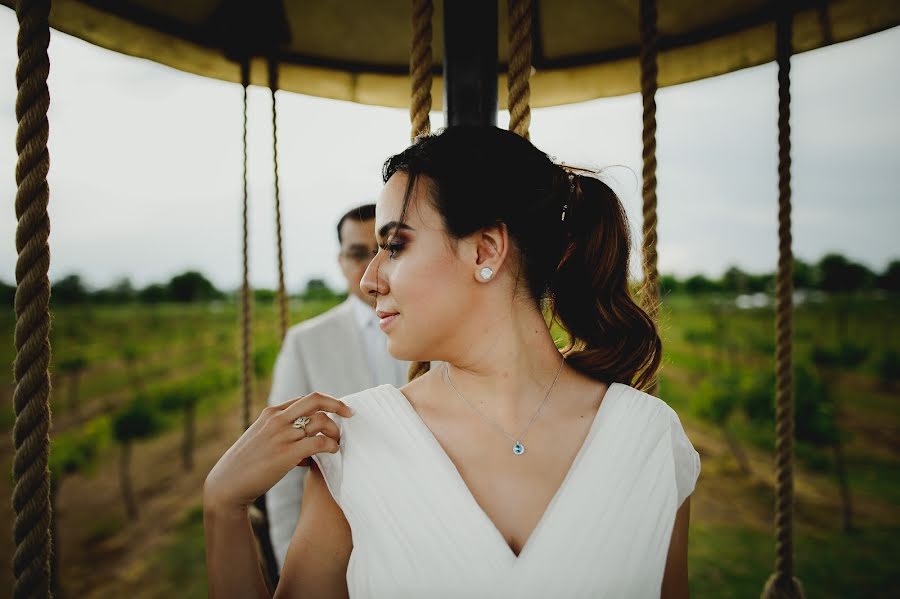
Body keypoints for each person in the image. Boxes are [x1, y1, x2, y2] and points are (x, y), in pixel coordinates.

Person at [204, 126, 701, 599]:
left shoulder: (649, 438)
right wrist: (223, 507)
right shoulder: (355, 444)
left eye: (395, 246)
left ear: (485, 249)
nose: (369, 280)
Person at [264, 204, 411, 572]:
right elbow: (282, 468)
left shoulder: (443, 330)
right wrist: (290, 564)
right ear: (341, 261)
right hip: (341, 552)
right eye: (357, 253)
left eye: (385, 249)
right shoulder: (305, 342)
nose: (370, 264)